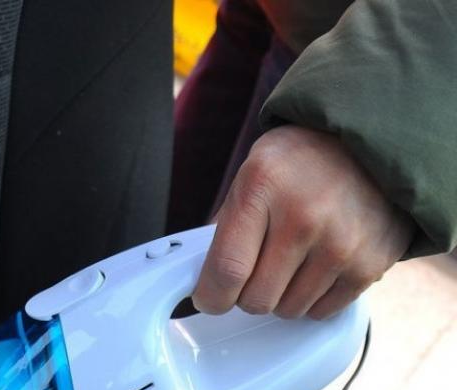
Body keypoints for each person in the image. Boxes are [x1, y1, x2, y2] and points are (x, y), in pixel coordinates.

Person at [168, 0, 457, 320]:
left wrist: (374, 142)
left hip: (346, 55)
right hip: (288, 18)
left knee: (230, 294)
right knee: (156, 259)